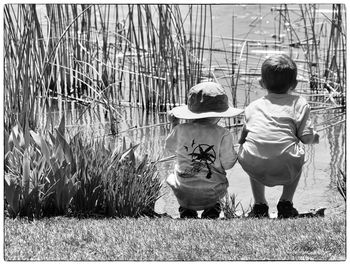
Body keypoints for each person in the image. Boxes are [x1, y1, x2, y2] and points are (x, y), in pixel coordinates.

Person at [238, 54, 319, 219]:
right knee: (298, 150)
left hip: (254, 163)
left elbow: (242, 138)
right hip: (287, 162)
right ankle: (286, 203)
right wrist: (315, 136)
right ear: (294, 84)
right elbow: (306, 138)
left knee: (252, 148)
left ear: (261, 83)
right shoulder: (300, 103)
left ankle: (260, 204)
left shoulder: (253, 106)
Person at [165, 81, 243, 219]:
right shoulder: (223, 133)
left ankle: (187, 210)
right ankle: (212, 209)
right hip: (213, 193)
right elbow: (228, 164)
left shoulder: (181, 129)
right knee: (216, 178)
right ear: (220, 114)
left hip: (184, 192)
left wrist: (175, 124)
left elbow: (170, 148)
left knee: (172, 176)